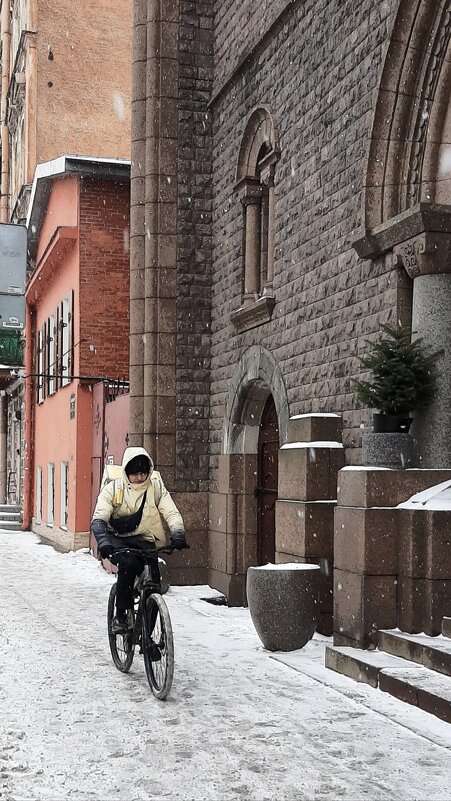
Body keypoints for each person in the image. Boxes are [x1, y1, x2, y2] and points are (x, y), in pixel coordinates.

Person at [91, 446, 188, 633]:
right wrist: (104, 541)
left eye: (143, 473)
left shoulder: (156, 487)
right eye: (134, 473)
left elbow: (171, 511)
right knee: (128, 566)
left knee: (154, 585)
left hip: (145, 539)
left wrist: (178, 533)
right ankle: (120, 616)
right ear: (126, 471)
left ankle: (147, 637)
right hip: (118, 539)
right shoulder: (114, 488)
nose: (139, 478)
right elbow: (99, 517)